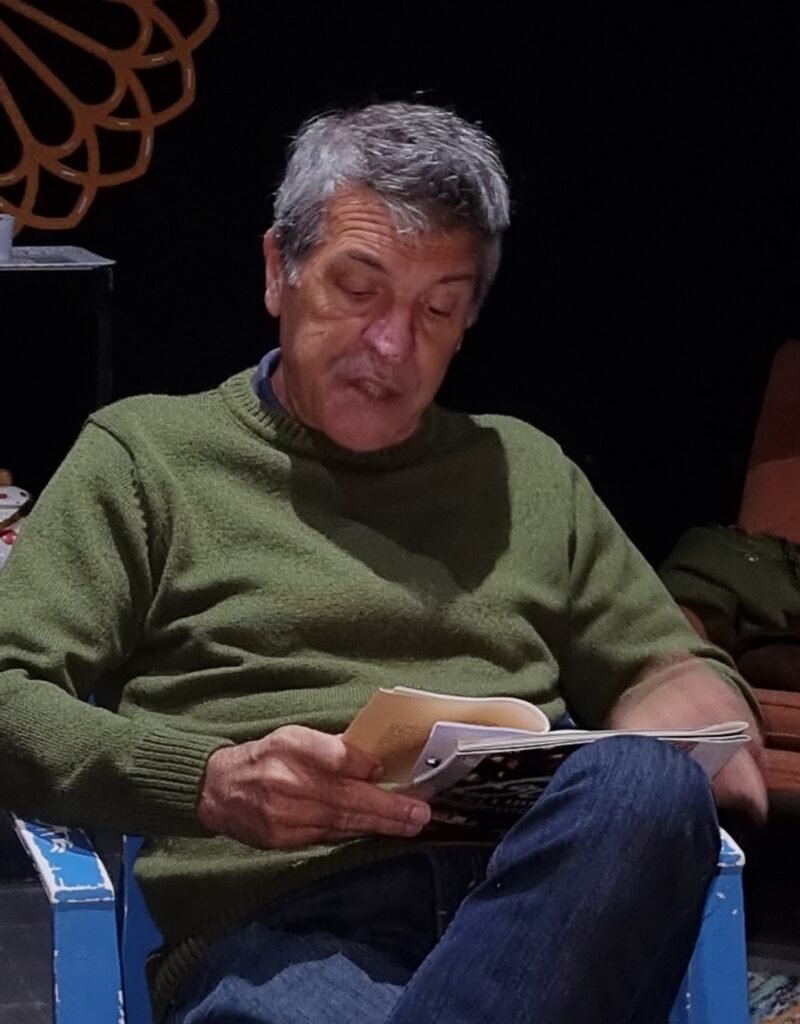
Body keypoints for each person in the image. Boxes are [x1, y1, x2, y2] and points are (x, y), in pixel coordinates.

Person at [0, 102, 766, 1024]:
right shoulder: (149, 459)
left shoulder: (525, 473)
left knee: (646, 785)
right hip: (286, 929)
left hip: (531, 915)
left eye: (436, 310)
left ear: (468, 321)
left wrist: (693, 708)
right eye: (359, 289)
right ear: (278, 270)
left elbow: (666, 667)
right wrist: (209, 780)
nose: (393, 345)